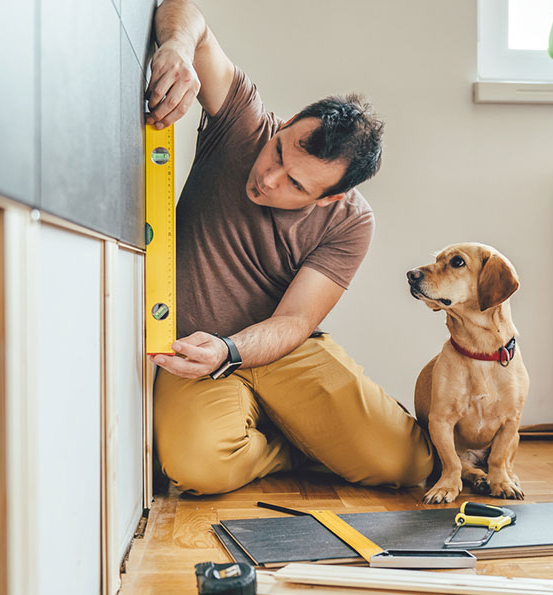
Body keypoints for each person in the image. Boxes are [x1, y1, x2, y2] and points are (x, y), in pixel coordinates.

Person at [145, 0, 433, 495]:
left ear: (331, 197)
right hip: (191, 348)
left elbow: (296, 321)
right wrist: (176, 46)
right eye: (280, 150)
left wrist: (233, 349)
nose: (267, 178)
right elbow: (184, 10)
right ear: (289, 122)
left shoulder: (351, 221)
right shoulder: (244, 124)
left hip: (277, 347)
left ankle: (302, 433)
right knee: (197, 469)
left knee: (407, 464)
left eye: (295, 185)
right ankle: (293, 445)